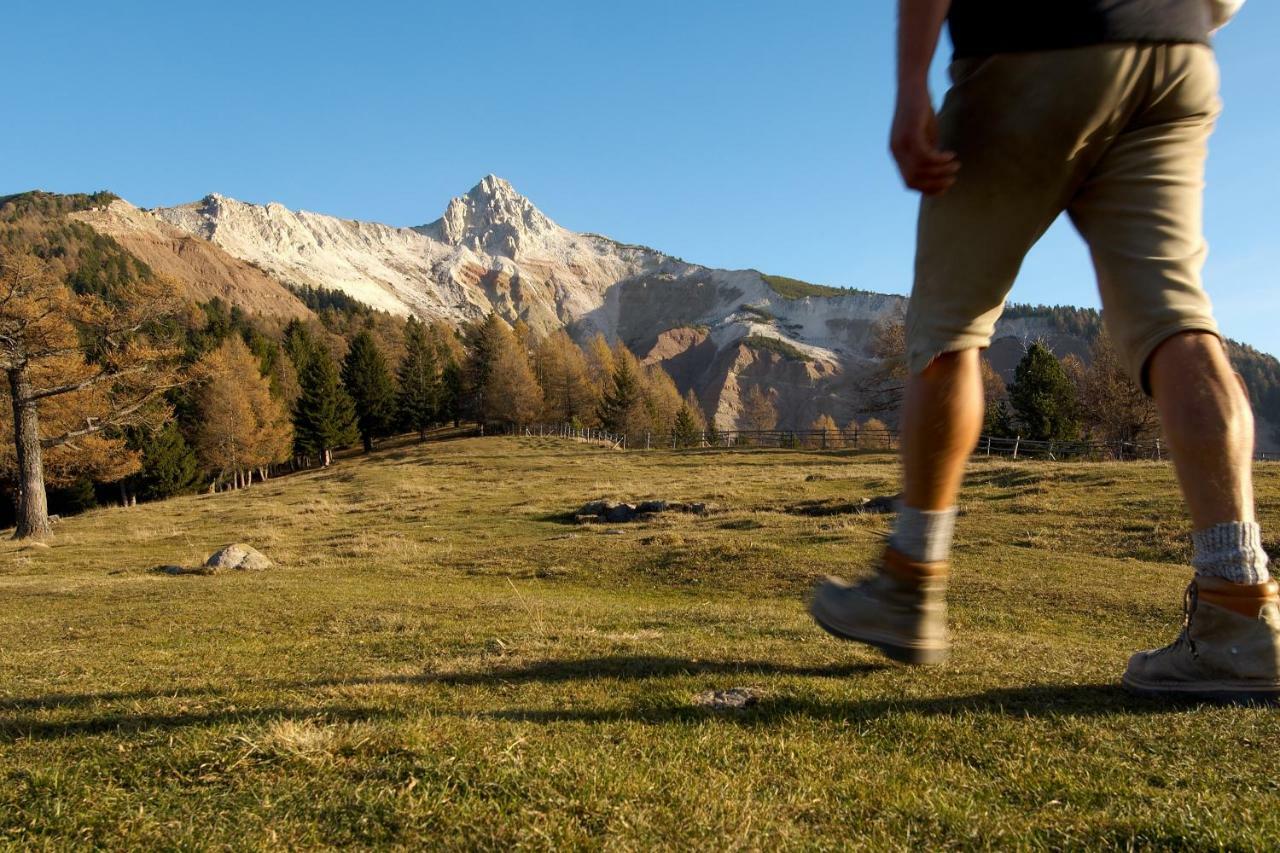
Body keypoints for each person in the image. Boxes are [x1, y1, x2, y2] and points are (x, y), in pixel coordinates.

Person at [809, 0, 1279, 702]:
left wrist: (910, 87)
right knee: (1177, 318)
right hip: (1178, 52)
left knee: (949, 325)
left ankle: (909, 581)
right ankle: (1238, 607)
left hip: (1034, 46)